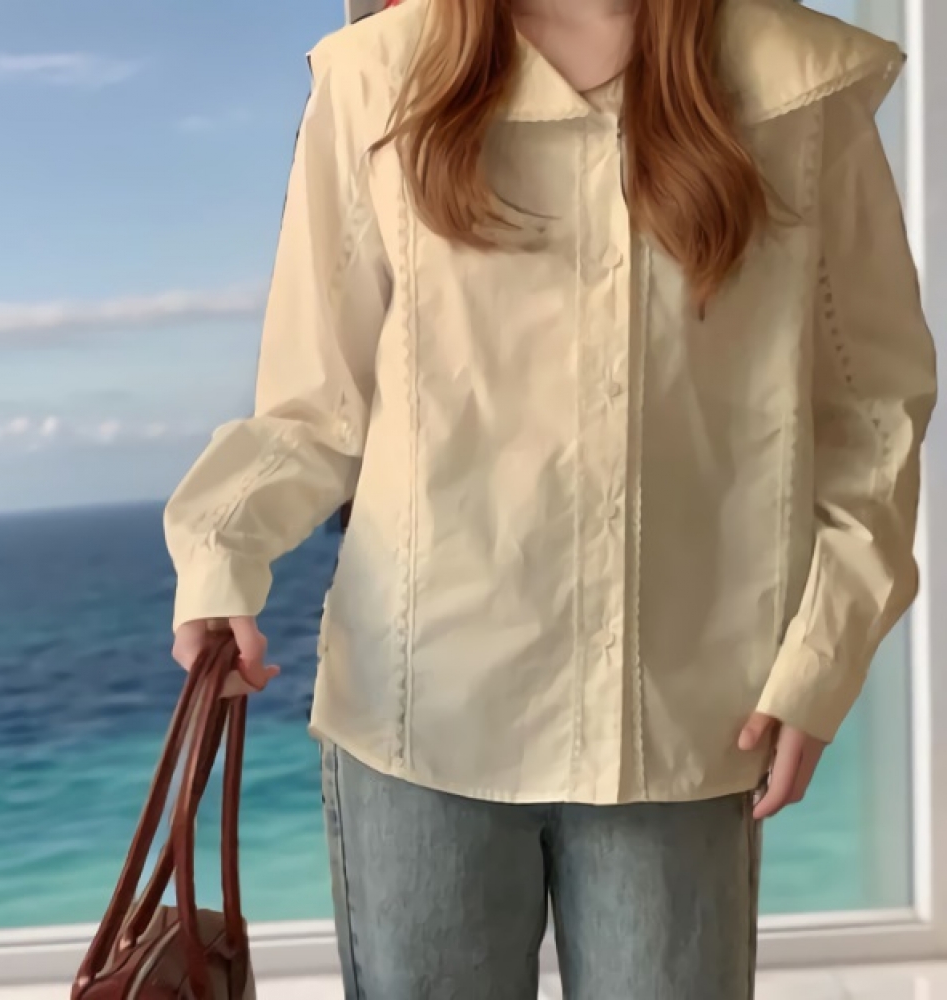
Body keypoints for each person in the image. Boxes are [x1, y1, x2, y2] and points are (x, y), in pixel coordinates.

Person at [164, 0, 938, 995]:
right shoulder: (372, 77)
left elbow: (872, 410)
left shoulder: (799, 87)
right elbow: (316, 405)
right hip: (420, 712)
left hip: (690, 717)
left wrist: (823, 656)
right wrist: (222, 554)